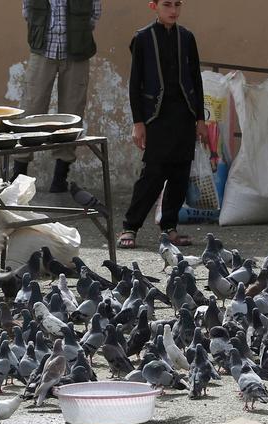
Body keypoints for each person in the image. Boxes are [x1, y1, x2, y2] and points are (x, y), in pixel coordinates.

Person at [119, 0, 207, 250]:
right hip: (156, 117)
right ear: (153, 6)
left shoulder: (187, 37)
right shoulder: (143, 38)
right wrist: (138, 122)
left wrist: (200, 119)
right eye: (167, 4)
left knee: (180, 174)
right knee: (153, 174)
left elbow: (195, 80)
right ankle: (130, 226)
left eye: (177, 4)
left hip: (184, 115)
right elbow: (135, 83)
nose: (173, 10)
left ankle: (169, 227)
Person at [16, 0, 102, 192]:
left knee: (72, 113)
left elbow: (94, 15)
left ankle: (60, 177)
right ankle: (18, 174)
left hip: (77, 53)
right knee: (31, 109)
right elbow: (27, 12)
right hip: (42, 50)